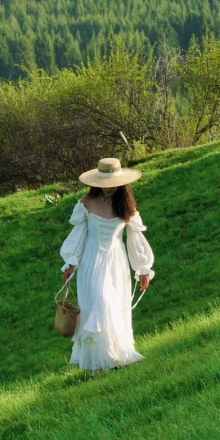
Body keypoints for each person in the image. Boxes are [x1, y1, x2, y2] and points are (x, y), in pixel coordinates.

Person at [59, 157, 155, 372]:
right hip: (91, 260)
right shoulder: (86, 203)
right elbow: (79, 235)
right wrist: (70, 263)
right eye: (105, 183)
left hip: (116, 263)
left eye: (113, 182)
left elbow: (136, 239)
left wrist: (143, 269)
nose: (110, 188)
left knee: (113, 306)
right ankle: (99, 363)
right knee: (99, 303)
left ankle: (115, 358)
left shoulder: (126, 206)